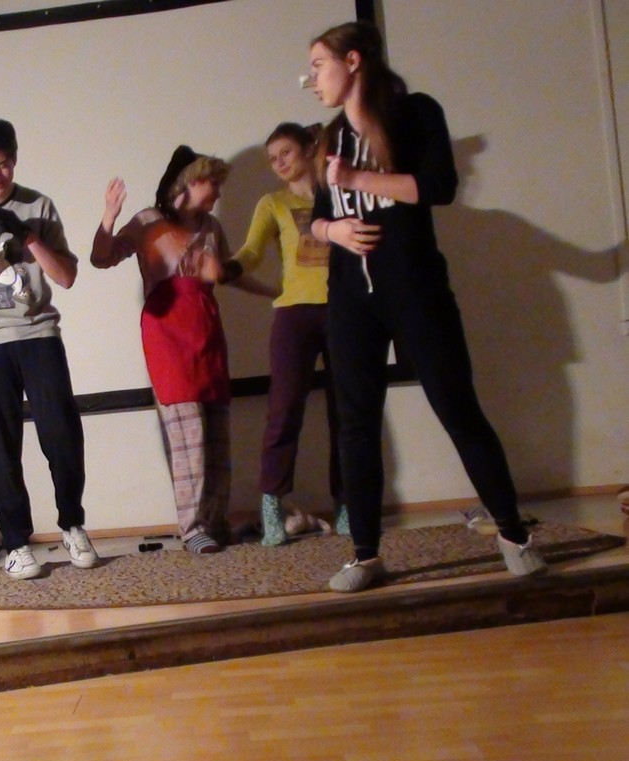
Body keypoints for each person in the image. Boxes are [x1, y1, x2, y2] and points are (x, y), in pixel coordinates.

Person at [306, 20, 545, 591]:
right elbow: (316, 216)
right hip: (350, 298)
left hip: (415, 289)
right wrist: (334, 231)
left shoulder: (414, 113)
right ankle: (365, 554)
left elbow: (437, 186)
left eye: (317, 65)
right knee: (355, 424)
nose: (311, 79)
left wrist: (359, 177)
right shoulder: (330, 137)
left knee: (457, 407)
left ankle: (513, 534)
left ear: (353, 61)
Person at [0, 116, 96, 580]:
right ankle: (16, 543)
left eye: (3, 165)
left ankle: (72, 525)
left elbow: (66, 276)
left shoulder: (39, 204)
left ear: (15, 159)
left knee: (62, 435)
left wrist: (28, 237)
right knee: (0, 445)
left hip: (38, 334)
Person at [91, 145, 266, 553]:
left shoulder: (212, 228)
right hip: (168, 334)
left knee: (217, 430)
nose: (218, 193)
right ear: (190, 181)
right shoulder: (148, 222)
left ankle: (216, 521)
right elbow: (102, 257)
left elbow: (226, 274)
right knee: (188, 430)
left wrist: (272, 291)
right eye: (213, 183)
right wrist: (109, 216)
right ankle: (192, 528)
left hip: (207, 329)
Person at [229, 122, 348, 546]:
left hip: (345, 311)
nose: (279, 163)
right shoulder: (273, 203)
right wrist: (228, 267)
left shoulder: (339, 195)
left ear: (308, 149)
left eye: (286, 152)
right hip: (294, 315)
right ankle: (272, 507)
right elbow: (252, 251)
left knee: (347, 413)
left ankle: (348, 504)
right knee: (283, 411)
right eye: (272, 158)